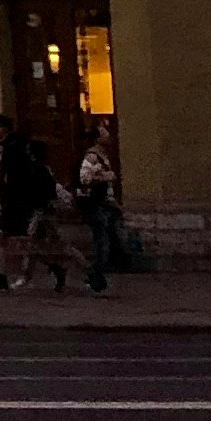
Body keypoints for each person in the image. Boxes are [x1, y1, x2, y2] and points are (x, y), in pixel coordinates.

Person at [0, 122, 66, 291]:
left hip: (42, 211)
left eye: (29, 150)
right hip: (41, 210)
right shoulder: (41, 168)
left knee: (59, 246)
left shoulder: (38, 169)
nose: (27, 152)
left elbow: (40, 190)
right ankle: (34, 274)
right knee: (32, 245)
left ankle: (85, 271)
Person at [75, 121, 123, 294]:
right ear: (97, 139)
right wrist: (106, 176)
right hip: (97, 205)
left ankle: (98, 276)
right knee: (102, 242)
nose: (108, 136)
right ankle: (95, 277)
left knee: (107, 240)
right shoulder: (92, 157)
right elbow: (85, 178)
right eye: (104, 134)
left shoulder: (102, 156)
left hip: (105, 204)